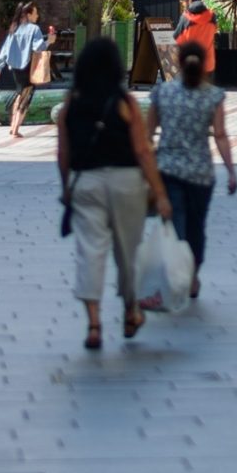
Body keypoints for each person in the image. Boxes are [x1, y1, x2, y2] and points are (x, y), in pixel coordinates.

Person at [55, 35, 171, 350]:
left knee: (89, 251)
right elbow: (144, 151)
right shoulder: (125, 103)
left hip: (86, 182)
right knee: (127, 252)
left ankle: (93, 324)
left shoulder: (70, 105)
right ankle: (131, 311)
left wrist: (67, 187)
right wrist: (159, 192)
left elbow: (63, 153)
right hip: (126, 183)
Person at [147, 41, 237, 298]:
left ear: (178, 61)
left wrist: (145, 167)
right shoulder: (213, 95)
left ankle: (172, 280)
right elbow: (220, 135)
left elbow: (147, 135)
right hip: (201, 174)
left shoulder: (162, 93)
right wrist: (231, 171)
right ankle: (193, 275)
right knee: (197, 227)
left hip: (168, 171)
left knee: (175, 227)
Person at [0, 1, 45, 139]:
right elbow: (38, 48)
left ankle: (12, 126)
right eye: (35, 13)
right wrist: (49, 41)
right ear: (29, 14)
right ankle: (15, 129)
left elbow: (5, 49)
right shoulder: (35, 29)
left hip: (14, 68)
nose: (37, 15)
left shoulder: (14, 28)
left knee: (19, 94)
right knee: (26, 97)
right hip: (27, 67)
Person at [174, 0, 217, 76]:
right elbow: (214, 31)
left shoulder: (186, 17)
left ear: (189, 0)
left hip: (190, 63)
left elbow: (176, 36)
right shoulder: (212, 16)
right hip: (208, 62)